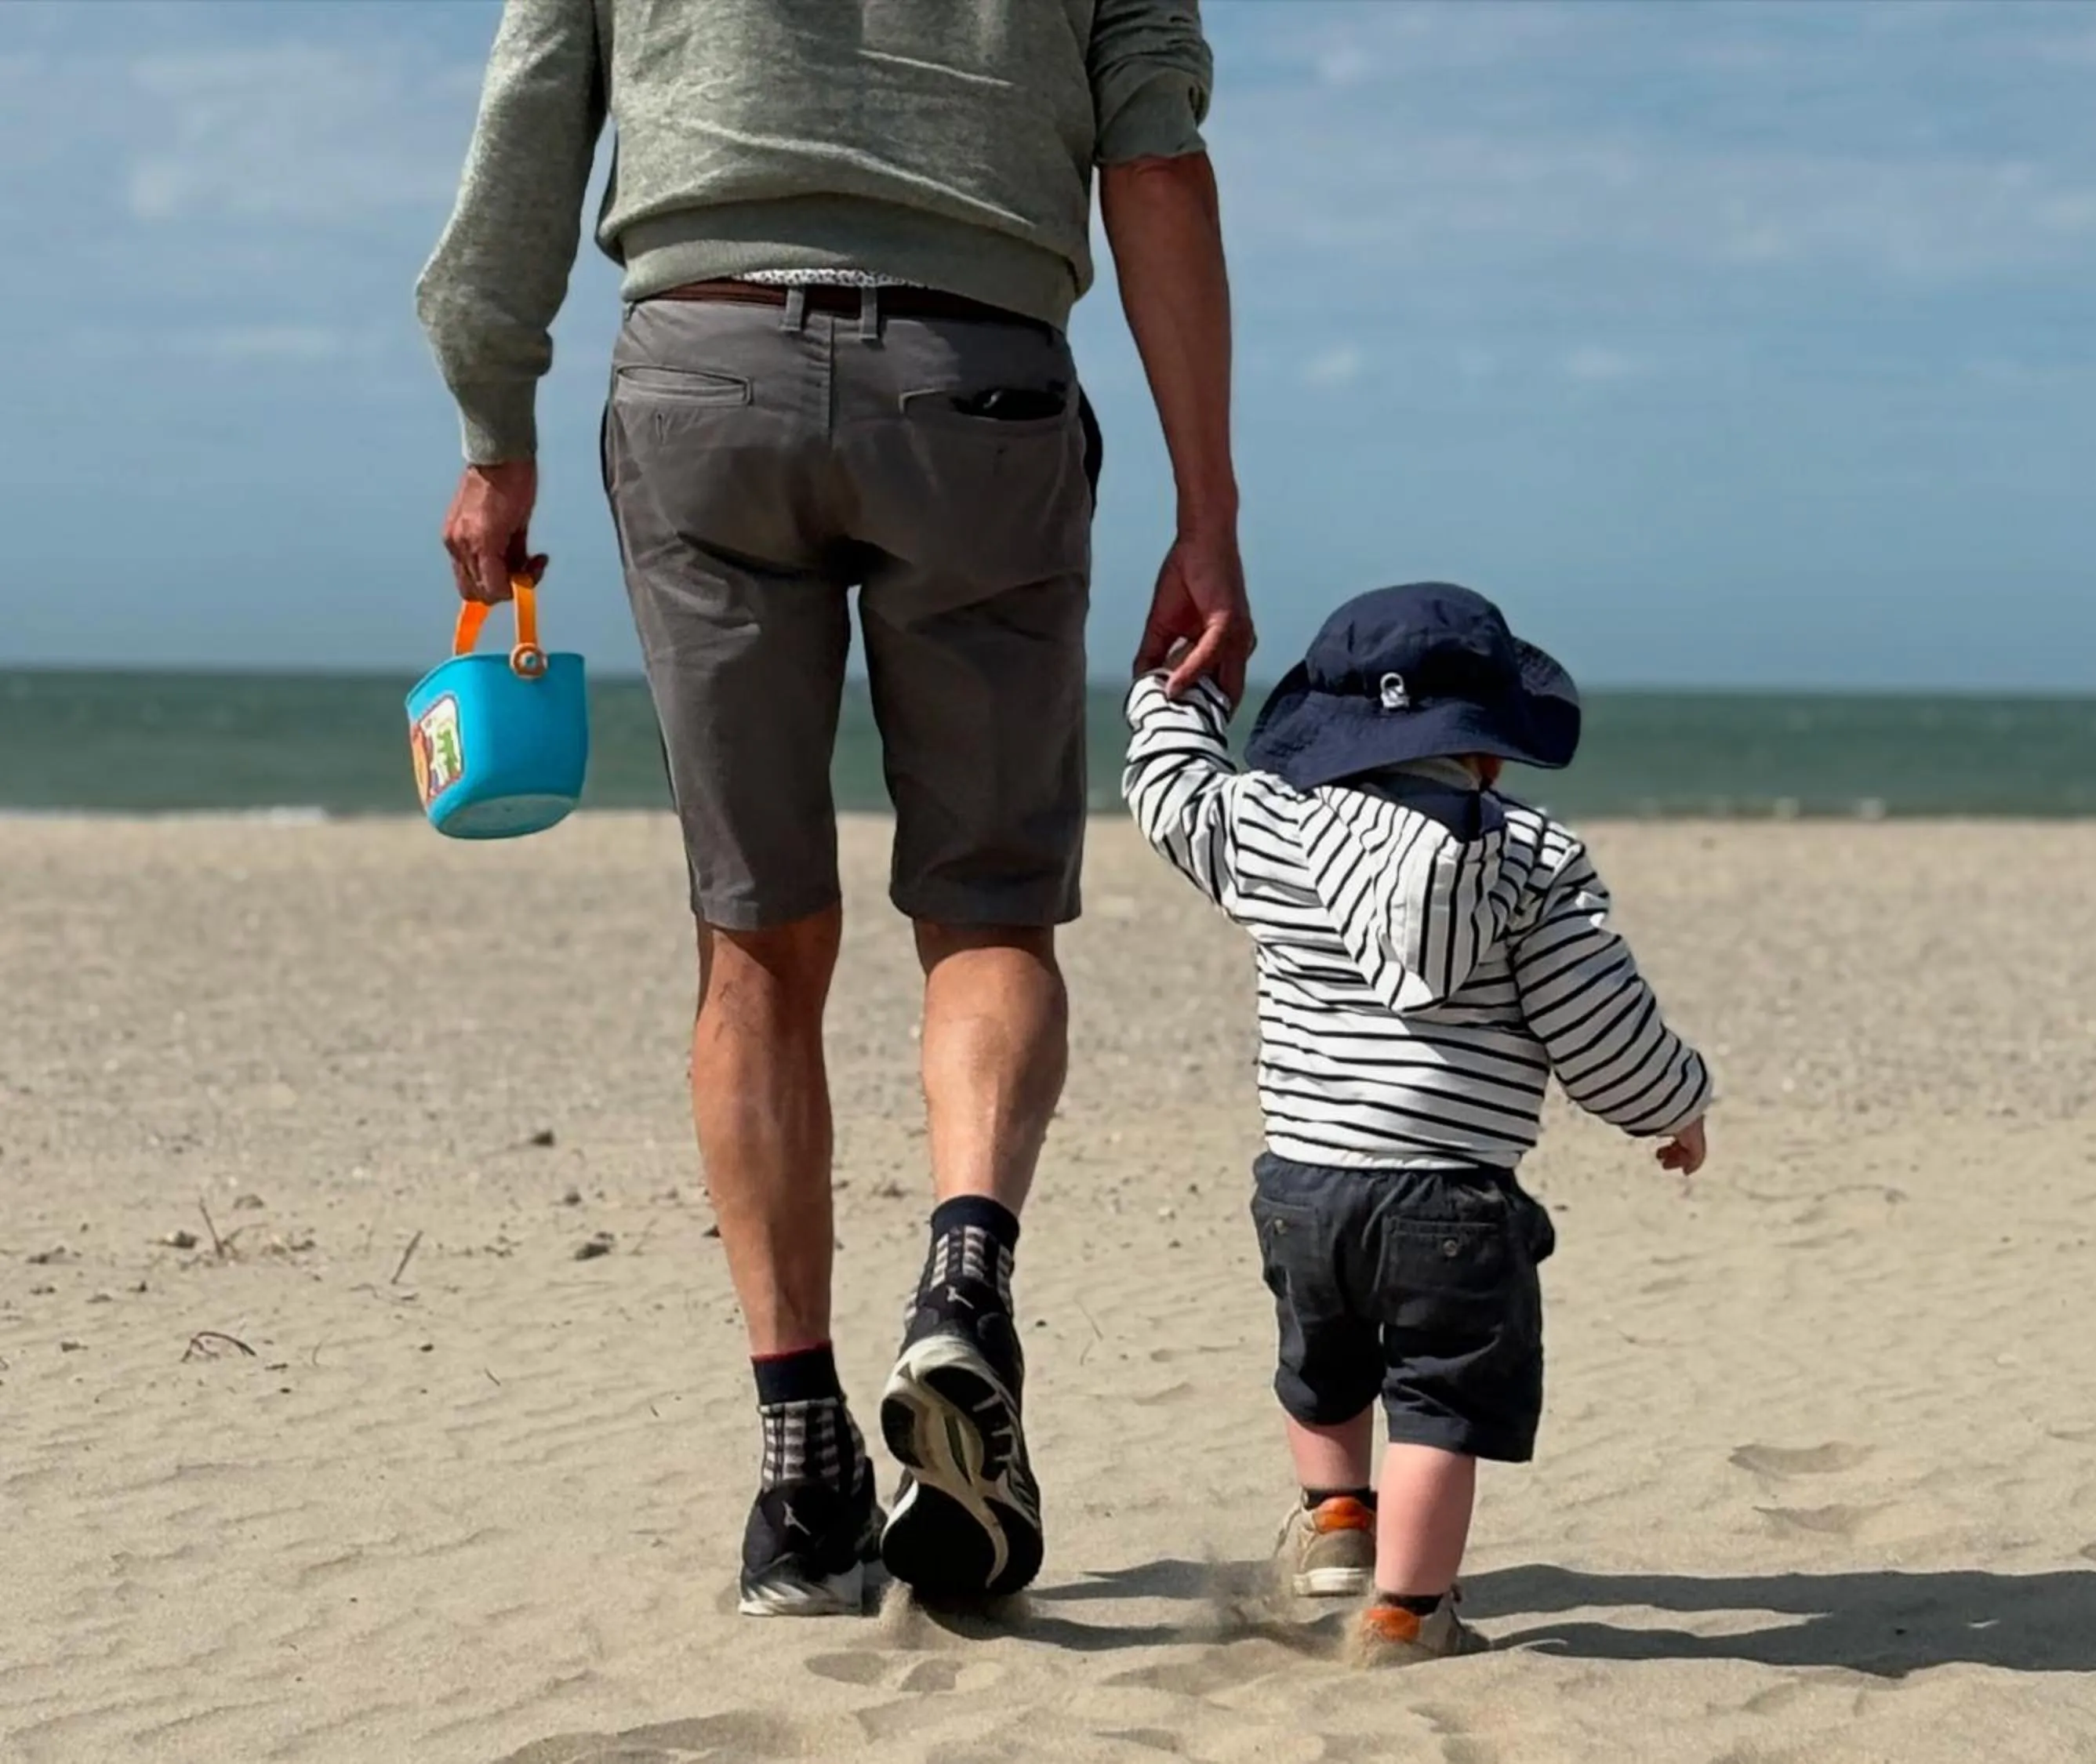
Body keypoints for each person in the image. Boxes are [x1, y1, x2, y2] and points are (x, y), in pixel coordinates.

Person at [417, 0, 1251, 1615]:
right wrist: (1208, 512)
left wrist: (491, 430)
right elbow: (1158, 163)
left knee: (755, 942)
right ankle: (962, 1274)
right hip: (978, 385)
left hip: (704, 373)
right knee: (988, 910)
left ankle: (804, 1482)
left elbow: (529, 117)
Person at [1120, 583, 1713, 1664]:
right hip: (1454, 1196)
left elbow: (1170, 797)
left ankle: (1337, 1512)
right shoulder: (1532, 862)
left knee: (1323, 1359)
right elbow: (1600, 1021)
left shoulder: (1270, 826)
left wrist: (1177, 691)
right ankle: (1407, 1608)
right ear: (1489, 748)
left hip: (1306, 1179)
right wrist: (1673, 1107)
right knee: (1438, 1402)